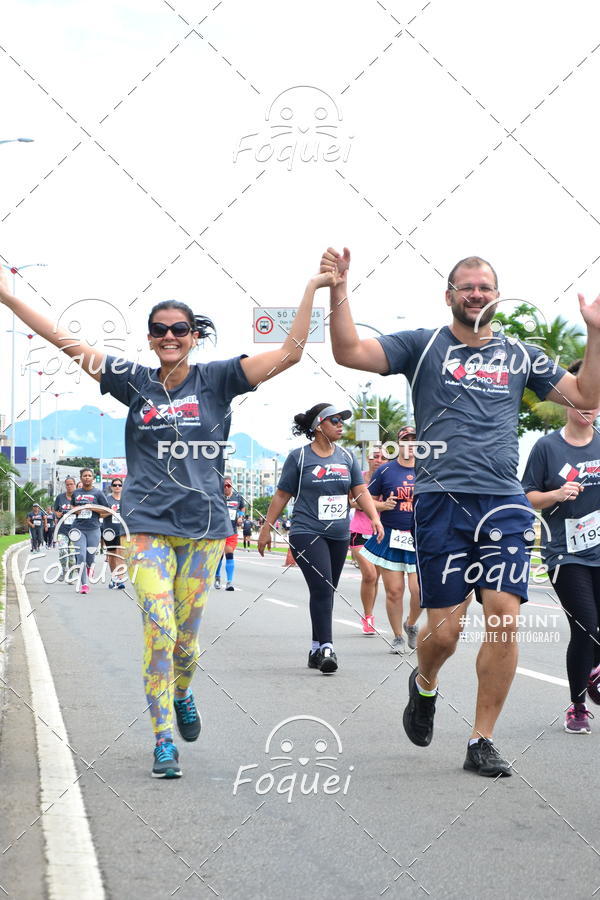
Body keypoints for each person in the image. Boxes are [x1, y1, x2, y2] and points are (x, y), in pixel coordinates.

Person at [0, 262, 339, 778]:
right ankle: (162, 740)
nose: (169, 337)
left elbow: (291, 353)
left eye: (179, 329)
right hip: (147, 525)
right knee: (159, 627)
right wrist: (8, 296)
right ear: (150, 338)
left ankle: (183, 691)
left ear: (194, 335)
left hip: (204, 529)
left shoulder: (219, 378)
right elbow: (61, 337)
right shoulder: (132, 381)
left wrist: (313, 288)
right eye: (159, 330)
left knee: (186, 640)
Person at [321, 245, 600, 776]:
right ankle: (424, 684)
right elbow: (349, 352)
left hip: (503, 506)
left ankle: (481, 740)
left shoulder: (520, 355)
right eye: (466, 286)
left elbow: (587, 393)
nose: (476, 294)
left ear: (497, 296)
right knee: (444, 634)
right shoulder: (422, 346)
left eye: (485, 287)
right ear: (449, 295)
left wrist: (595, 331)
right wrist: (339, 291)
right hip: (441, 504)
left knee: (504, 622)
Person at [258, 403, 384, 674]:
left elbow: (360, 491)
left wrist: (374, 517)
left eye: (342, 421)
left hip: (339, 534)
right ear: (318, 426)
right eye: (335, 420)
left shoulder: (347, 457)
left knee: (325, 591)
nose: (341, 425)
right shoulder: (299, 458)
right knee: (324, 587)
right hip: (306, 532)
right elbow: (282, 495)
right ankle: (327, 647)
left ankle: (315, 648)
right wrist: (266, 528)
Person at [523, 359, 600, 734]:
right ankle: (577, 707)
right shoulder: (546, 447)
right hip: (565, 553)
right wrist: (555, 493)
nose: (588, 405)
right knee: (586, 625)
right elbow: (525, 498)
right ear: (567, 399)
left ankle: (594, 670)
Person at [360, 426, 420, 653]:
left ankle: (411, 624)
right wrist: (383, 506)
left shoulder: (429, 470)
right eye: (406, 440)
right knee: (394, 591)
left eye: (415, 440)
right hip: (391, 536)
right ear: (398, 444)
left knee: (419, 591)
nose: (410, 444)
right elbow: (367, 500)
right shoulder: (386, 471)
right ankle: (397, 636)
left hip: (419, 538)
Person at [349, 448, 382, 634]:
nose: (378, 460)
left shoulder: (388, 479)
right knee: (369, 575)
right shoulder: (359, 477)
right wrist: (381, 505)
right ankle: (367, 616)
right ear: (368, 459)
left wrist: (381, 506)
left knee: (375, 578)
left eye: (383, 457)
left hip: (380, 532)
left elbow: (394, 504)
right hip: (359, 531)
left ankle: (369, 615)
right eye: (375, 457)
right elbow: (351, 502)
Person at [70, 468, 110, 594]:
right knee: (80, 555)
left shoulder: (98, 493)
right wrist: (77, 510)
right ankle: (84, 585)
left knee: (90, 556)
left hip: (93, 529)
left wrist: (93, 508)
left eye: (89, 475)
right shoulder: (76, 493)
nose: (87, 477)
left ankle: (89, 567)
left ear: (93, 478)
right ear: (81, 478)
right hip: (78, 528)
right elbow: (72, 507)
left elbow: (107, 510)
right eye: (84, 475)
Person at [214, 477, 245, 590]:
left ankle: (229, 582)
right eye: (225, 485)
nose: (227, 487)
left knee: (229, 554)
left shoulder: (237, 496)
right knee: (219, 556)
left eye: (229, 485)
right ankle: (217, 577)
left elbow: (242, 507)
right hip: (219, 531)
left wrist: (241, 517)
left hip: (232, 530)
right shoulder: (218, 496)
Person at [103, 477, 126, 590]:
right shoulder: (107, 500)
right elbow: (101, 514)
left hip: (122, 530)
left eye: (119, 485)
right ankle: (114, 577)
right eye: (115, 485)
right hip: (109, 530)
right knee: (112, 555)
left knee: (120, 554)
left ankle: (120, 578)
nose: (117, 487)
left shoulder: (126, 500)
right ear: (111, 487)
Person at [54, 477, 78, 582]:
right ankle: (64, 570)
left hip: (75, 531)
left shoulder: (79, 498)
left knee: (72, 555)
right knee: (63, 551)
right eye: (67, 484)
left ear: (75, 485)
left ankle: (71, 575)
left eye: (71, 484)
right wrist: (58, 514)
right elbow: (55, 511)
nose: (69, 486)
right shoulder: (60, 497)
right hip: (62, 529)